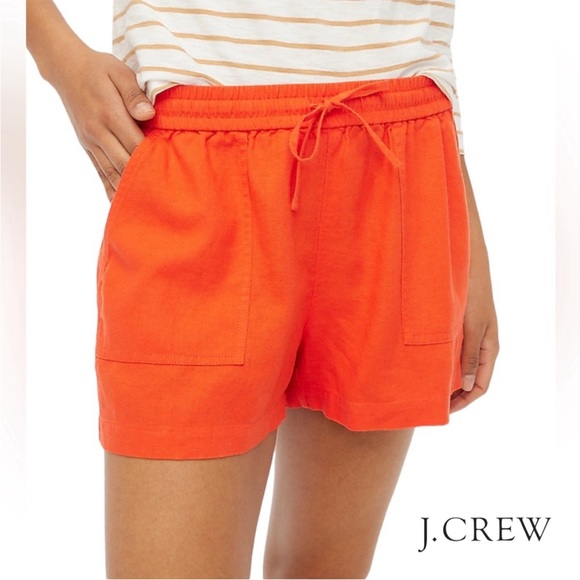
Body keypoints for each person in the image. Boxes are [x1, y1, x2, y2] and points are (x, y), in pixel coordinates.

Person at [27, 1, 500, 578]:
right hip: (200, 159)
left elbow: (426, 34)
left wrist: (464, 222)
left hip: (398, 160)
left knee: (323, 571)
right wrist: (58, 57)